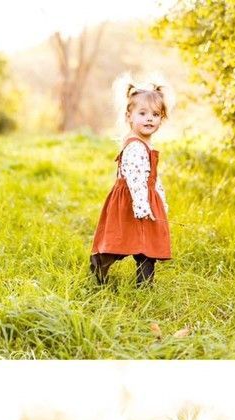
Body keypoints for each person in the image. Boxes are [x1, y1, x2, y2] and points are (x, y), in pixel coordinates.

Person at [90, 79, 172, 286]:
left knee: (147, 246)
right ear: (129, 116)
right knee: (121, 241)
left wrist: (160, 199)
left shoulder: (146, 143)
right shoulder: (135, 146)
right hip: (130, 202)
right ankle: (100, 262)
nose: (149, 119)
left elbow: (152, 178)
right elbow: (135, 180)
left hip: (145, 201)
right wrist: (141, 205)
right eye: (142, 114)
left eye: (155, 115)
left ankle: (144, 285)